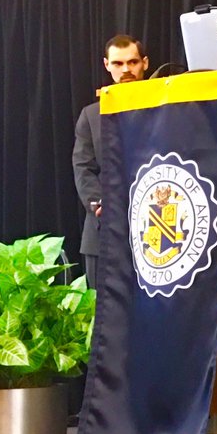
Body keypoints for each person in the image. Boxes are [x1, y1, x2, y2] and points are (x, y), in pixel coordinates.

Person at [72, 35, 149, 289]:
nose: (126, 69)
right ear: (107, 65)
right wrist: (99, 204)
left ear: (145, 63)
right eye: (118, 63)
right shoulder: (91, 115)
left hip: (155, 234)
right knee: (101, 310)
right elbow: (83, 168)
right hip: (102, 234)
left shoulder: (166, 110)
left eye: (132, 62)